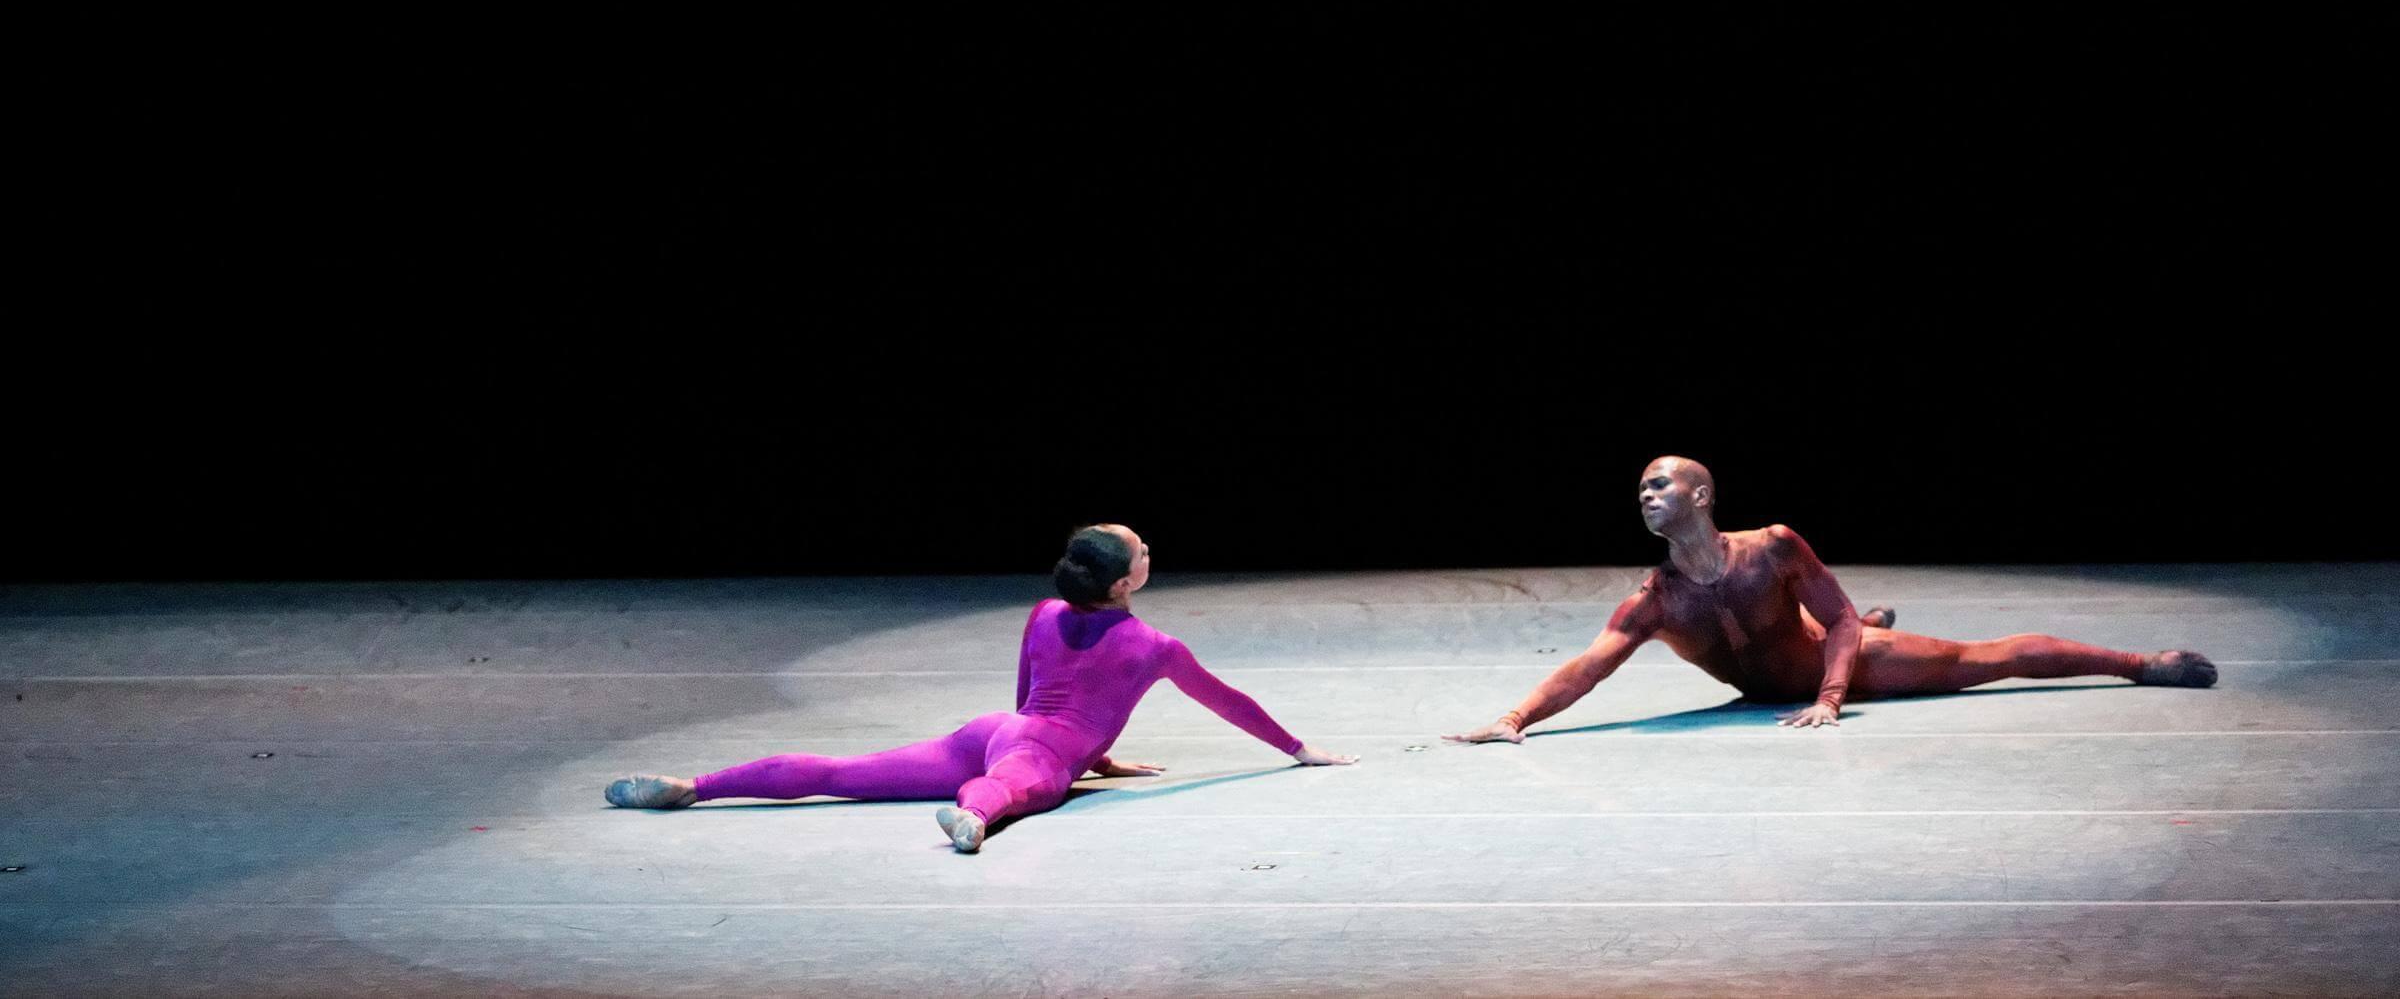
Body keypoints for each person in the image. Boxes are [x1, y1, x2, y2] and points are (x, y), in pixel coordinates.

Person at [606, 524, 1355, 851]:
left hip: (994, 730)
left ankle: (696, 785)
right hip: (1037, 755)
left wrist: (1098, 758)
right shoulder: (1154, 647)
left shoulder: (1043, 611)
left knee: (841, 773)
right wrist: (1297, 747)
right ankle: (970, 823)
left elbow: (1031, 696)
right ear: (1127, 582)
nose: (1150, 552)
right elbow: (1226, 701)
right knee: (1005, 792)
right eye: (1144, 551)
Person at [1448, 456, 2215, 742]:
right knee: (1812, 626)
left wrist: (1833, 694)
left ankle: (2143, 662)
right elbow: (1588, 669)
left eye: (1660, 485)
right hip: (1777, 672)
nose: (1646, 497)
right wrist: (1517, 719)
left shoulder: (1774, 547)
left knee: (1980, 661)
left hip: (1838, 666)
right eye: (1639, 490)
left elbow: (1840, 621)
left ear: (1701, 494)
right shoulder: (1656, 602)